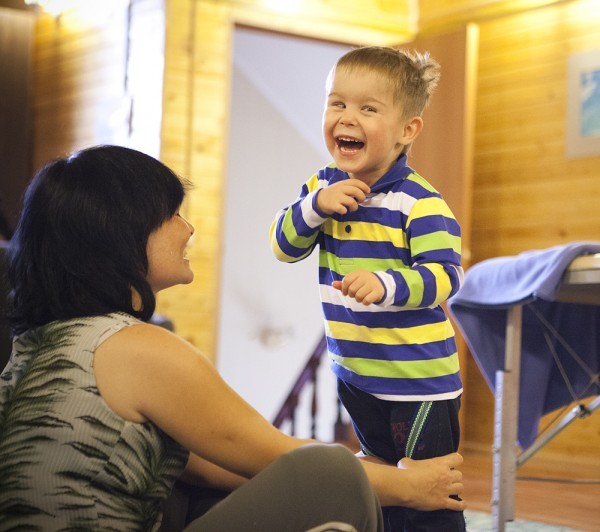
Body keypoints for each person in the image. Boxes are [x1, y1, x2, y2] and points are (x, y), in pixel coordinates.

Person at [0, 145, 465, 532]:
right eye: (172, 214)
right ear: (120, 234)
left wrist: (376, 475)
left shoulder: (45, 342)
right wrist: (411, 487)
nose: (188, 228)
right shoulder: (135, 348)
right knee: (331, 471)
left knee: (219, 489)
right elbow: (270, 454)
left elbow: (211, 464)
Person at [270, 46, 465, 531]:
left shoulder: (418, 202)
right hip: (356, 375)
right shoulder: (321, 187)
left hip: (418, 382)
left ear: (407, 131)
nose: (346, 117)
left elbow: (446, 275)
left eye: (368, 108)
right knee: (380, 485)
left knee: (428, 492)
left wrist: (386, 283)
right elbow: (283, 246)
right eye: (336, 103)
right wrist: (315, 206)